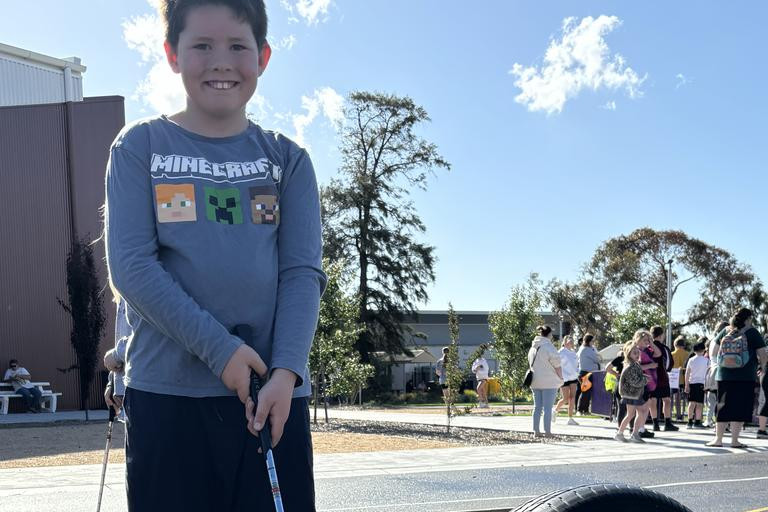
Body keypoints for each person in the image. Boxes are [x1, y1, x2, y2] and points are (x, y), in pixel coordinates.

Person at [103, 1, 327, 509]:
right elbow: (133, 268)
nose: (221, 61)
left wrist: (286, 372)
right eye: (202, 45)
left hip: (272, 400)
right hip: (168, 399)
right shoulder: (140, 146)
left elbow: (301, 274)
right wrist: (221, 352)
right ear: (172, 54)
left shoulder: (288, 160)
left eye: (237, 46)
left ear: (264, 56)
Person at [706, 309, 767, 448]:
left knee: (722, 407)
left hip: (724, 375)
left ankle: (718, 439)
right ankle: (734, 441)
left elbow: (714, 351)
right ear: (748, 319)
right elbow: (763, 354)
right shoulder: (752, 332)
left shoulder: (726, 330)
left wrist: (719, 364)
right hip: (745, 376)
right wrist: (762, 368)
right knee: (740, 408)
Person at [528, 325, 563, 437]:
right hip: (549, 381)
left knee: (537, 407)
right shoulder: (549, 347)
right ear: (549, 334)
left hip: (535, 381)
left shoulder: (533, 348)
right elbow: (557, 365)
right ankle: (547, 432)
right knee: (548, 408)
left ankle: (536, 431)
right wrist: (561, 378)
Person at [616, 341, 649, 443]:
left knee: (641, 412)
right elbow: (634, 381)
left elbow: (636, 378)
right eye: (634, 353)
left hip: (635, 394)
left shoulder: (635, 364)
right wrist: (645, 380)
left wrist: (643, 378)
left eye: (638, 352)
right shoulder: (631, 366)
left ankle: (634, 434)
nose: (637, 354)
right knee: (631, 414)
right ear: (628, 354)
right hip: (631, 394)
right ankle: (620, 434)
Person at [648, 326, 678, 432]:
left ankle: (655, 424)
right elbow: (670, 364)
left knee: (653, 400)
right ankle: (667, 423)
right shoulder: (664, 348)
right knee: (666, 400)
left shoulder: (648, 348)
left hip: (651, 377)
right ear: (661, 335)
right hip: (662, 376)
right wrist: (666, 369)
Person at [104, 297, 129, 417]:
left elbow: (148, 335)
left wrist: (116, 355)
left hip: (150, 391)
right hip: (127, 394)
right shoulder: (121, 295)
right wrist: (113, 382)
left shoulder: (136, 282)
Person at [634, 329, 659, 438]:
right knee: (641, 408)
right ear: (638, 339)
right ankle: (638, 429)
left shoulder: (648, 350)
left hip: (649, 382)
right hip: (640, 382)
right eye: (644, 340)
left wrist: (652, 343)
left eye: (648, 340)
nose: (647, 342)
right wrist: (650, 366)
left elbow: (658, 353)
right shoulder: (636, 351)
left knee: (646, 406)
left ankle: (641, 428)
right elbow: (635, 367)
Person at [553, 335, 579, 425]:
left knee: (572, 398)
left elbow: (576, 365)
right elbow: (555, 364)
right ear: (564, 342)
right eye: (569, 341)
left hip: (573, 378)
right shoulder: (560, 352)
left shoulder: (574, 353)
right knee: (565, 398)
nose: (570, 343)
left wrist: (577, 372)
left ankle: (570, 418)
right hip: (564, 377)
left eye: (572, 341)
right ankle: (555, 411)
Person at [685, 341, 708, 429]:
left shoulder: (691, 360)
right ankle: (697, 421)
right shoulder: (706, 360)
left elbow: (687, 373)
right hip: (702, 384)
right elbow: (708, 374)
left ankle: (689, 421)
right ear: (703, 350)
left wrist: (686, 385)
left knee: (691, 403)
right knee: (699, 404)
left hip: (692, 383)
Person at [576, 334, 600, 414]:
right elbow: (597, 359)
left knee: (587, 392)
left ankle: (585, 410)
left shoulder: (584, 349)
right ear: (589, 341)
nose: (593, 343)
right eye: (592, 341)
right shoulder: (587, 350)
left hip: (585, 373)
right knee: (585, 392)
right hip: (586, 373)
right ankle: (580, 410)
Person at [670, 337, 690, 421]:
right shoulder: (687, 354)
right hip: (685, 378)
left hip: (674, 378)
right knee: (685, 399)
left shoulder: (672, 354)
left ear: (675, 345)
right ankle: (682, 414)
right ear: (683, 345)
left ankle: (673, 414)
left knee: (674, 397)